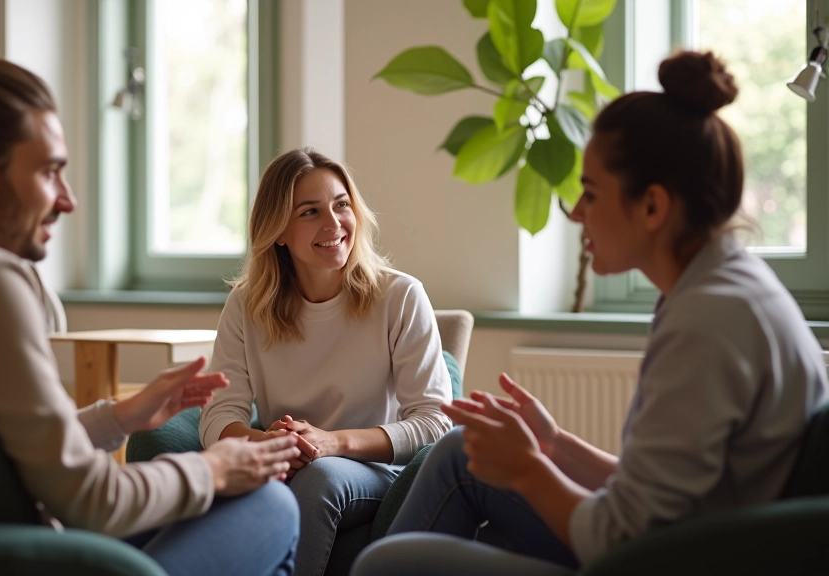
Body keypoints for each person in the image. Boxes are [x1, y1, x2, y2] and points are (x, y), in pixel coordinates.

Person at [0, 49, 302, 576]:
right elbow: (94, 501)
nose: (68, 200)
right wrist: (213, 468)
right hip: (29, 559)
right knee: (270, 504)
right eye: (51, 172)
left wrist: (119, 417)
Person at [351, 51, 829, 576]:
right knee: (462, 449)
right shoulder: (719, 287)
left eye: (591, 192)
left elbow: (621, 538)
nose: (577, 212)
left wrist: (530, 468)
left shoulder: (708, 323)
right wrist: (554, 444)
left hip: (665, 560)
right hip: (682, 536)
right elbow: (661, 492)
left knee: (386, 562)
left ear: (652, 206)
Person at [198, 147, 454, 576]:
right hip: (285, 463)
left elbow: (433, 421)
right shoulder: (246, 304)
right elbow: (219, 412)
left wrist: (331, 442)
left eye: (341, 206)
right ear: (278, 230)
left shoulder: (401, 296)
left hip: (374, 470)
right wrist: (268, 445)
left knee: (320, 479)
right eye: (310, 212)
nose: (333, 224)